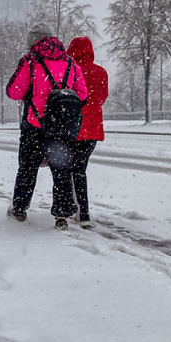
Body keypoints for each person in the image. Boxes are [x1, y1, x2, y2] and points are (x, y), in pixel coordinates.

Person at [5, 22, 88, 229]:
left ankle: (20, 209)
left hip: (35, 124)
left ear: (32, 41)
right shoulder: (70, 61)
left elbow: (13, 91)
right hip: (61, 127)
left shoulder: (29, 61)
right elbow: (83, 94)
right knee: (61, 171)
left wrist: (35, 95)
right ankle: (62, 217)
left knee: (27, 169)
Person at [66, 36, 108, 229]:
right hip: (93, 130)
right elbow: (102, 98)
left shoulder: (70, 71)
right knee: (80, 169)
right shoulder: (101, 72)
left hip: (73, 128)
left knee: (69, 170)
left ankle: (75, 211)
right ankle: (82, 212)